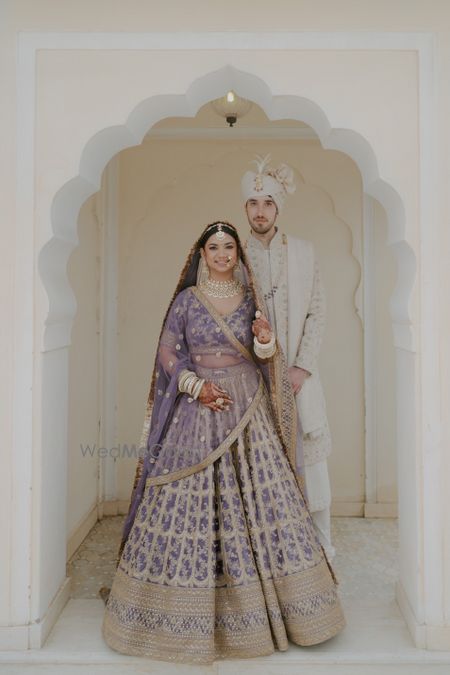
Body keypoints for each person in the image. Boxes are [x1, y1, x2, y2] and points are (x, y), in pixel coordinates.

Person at [102, 221, 345, 664]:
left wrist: (268, 342)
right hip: (199, 406)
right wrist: (196, 388)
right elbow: (168, 352)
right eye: (213, 247)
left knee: (266, 499)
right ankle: (172, 614)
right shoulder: (186, 301)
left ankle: (283, 613)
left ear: (237, 253)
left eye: (228, 247)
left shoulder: (252, 299)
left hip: (247, 405)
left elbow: (263, 354)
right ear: (201, 253)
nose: (221, 254)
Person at [243, 155, 335, 559]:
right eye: (253, 203)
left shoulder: (303, 251)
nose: (260, 211)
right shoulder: (233, 253)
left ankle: (320, 551)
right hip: (250, 379)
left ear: (278, 207)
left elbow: (317, 310)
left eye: (267, 203)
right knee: (256, 465)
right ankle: (268, 554)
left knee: (309, 460)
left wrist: (301, 367)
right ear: (245, 208)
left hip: (298, 377)